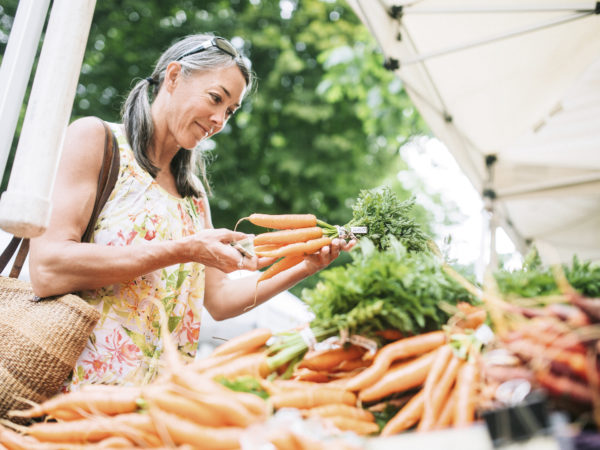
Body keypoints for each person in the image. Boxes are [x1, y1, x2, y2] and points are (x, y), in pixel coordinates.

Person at [29, 34, 353, 389]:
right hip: (73, 400)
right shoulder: (98, 141)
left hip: (155, 411)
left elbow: (219, 300)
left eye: (230, 111)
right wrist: (184, 250)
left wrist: (305, 266)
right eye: (216, 98)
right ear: (173, 77)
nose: (219, 120)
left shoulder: (194, 196)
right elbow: (48, 268)